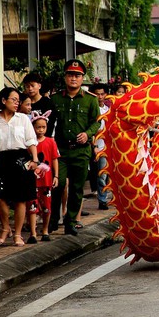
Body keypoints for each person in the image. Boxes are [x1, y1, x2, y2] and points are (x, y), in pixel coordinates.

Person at [50, 59, 101, 236]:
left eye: (77, 75)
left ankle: (70, 221)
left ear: (82, 78)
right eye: (70, 75)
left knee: (77, 188)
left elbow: (96, 123)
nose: (74, 78)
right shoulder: (55, 99)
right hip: (61, 150)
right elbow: (48, 124)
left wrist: (88, 134)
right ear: (65, 77)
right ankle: (53, 218)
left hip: (81, 151)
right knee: (58, 183)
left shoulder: (90, 100)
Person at [0, 87, 39, 247]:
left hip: (21, 159)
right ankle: (5, 228)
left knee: (20, 199)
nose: (17, 103)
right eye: (14, 100)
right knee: (0, 196)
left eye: (18, 101)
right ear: (4, 100)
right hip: (3, 160)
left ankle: (17, 234)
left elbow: (31, 141)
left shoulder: (23, 119)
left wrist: (35, 159)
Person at [29, 111, 59, 241]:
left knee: (47, 207)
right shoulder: (29, 143)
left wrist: (56, 176)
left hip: (46, 180)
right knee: (32, 206)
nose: (41, 130)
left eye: (43, 127)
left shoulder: (51, 142)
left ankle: (45, 230)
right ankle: (33, 233)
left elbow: (54, 159)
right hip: (32, 180)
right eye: (38, 127)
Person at [89, 83, 112, 211]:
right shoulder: (92, 109)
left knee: (106, 174)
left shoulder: (107, 110)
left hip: (107, 146)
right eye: (97, 94)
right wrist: (95, 146)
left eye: (102, 94)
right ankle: (102, 200)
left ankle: (105, 199)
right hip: (97, 145)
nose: (100, 96)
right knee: (100, 174)